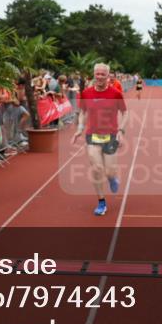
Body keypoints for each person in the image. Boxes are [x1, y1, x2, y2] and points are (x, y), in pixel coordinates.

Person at [71, 63, 129, 216]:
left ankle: (112, 178)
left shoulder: (116, 93)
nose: (100, 77)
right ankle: (101, 202)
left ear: (108, 76)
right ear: (94, 74)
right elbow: (83, 112)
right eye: (97, 73)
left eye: (103, 74)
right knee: (97, 169)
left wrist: (121, 131)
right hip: (92, 135)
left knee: (109, 172)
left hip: (111, 136)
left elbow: (125, 112)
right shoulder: (87, 93)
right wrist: (80, 128)